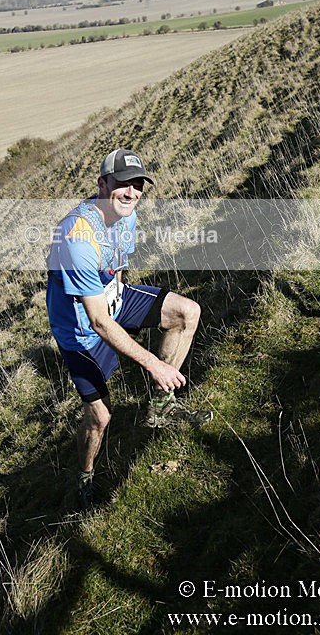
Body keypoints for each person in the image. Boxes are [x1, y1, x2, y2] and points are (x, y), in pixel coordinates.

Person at [46, 148, 212, 510]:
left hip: (114, 300)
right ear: (102, 184)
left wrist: (125, 306)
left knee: (187, 312)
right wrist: (154, 364)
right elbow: (98, 321)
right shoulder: (77, 236)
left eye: (138, 185)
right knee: (100, 417)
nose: (131, 192)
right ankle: (85, 477)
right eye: (122, 184)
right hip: (81, 331)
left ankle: (160, 407)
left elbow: (117, 266)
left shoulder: (127, 215)